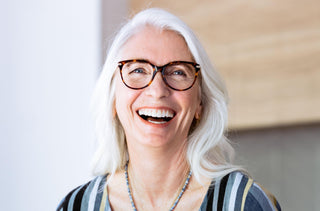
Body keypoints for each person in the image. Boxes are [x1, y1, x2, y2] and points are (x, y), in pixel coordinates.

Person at [57, 8, 281, 211]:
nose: (157, 90)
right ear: (113, 99)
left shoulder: (243, 203)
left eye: (178, 72)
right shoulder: (76, 206)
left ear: (199, 104)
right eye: (137, 70)